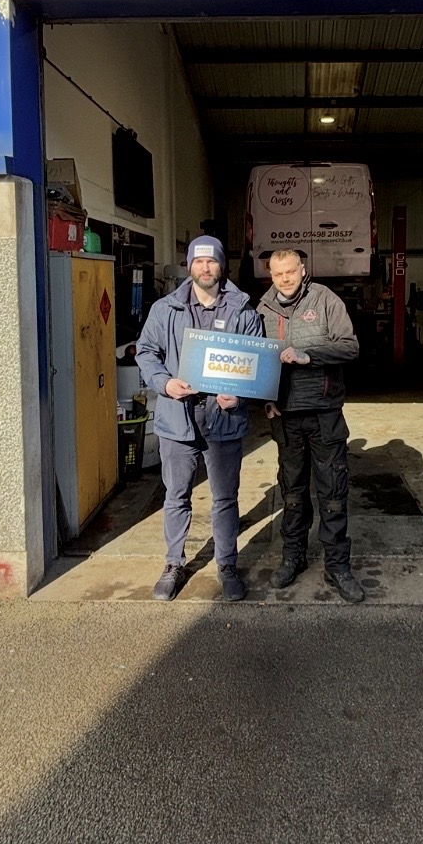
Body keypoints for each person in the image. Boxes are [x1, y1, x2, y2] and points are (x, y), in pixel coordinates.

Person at [136, 235, 265, 602]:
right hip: (178, 418)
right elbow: (146, 352)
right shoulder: (166, 309)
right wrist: (164, 383)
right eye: (198, 261)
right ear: (189, 265)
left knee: (225, 497)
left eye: (212, 261)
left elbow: (256, 364)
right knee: (176, 495)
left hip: (224, 419)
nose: (205, 268)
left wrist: (239, 394)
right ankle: (173, 564)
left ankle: (227, 564)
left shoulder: (243, 311)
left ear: (221, 266)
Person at [257, 248, 364, 603]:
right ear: (271, 275)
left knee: (332, 494)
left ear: (302, 270)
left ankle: (338, 566)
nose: (284, 279)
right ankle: (293, 557)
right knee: (292, 493)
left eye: (290, 271)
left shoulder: (325, 300)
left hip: (324, 414)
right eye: (277, 274)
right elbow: (256, 360)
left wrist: (309, 356)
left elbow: (350, 347)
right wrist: (265, 398)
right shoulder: (262, 310)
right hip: (286, 417)